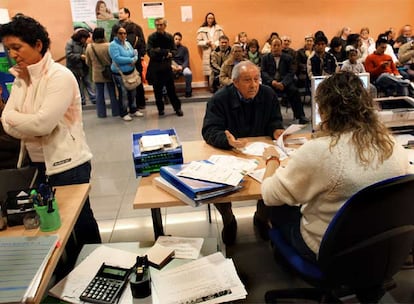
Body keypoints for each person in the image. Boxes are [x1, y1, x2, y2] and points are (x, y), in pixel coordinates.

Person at [261, 71, 408, 262]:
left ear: (324, 110)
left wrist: (272, 161)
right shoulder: (390, 143)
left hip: (329, 251)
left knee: (280, 207)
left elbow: (269, 195)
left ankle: (283, 258)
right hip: (378, 245)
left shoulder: (320, 151)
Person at [0, 14, 102, 261]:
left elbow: (42, 124)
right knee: (49, 221)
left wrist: (18, 119)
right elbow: (6, 122)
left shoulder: (59, 76)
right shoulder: (22, 79)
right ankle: (64, 270)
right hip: (35, 164)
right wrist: (23, 121)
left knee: (79, 220)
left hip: (68, 164)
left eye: (17, 47)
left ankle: (94, 263)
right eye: (7, 49)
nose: (13, 54)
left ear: (37, 44)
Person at [202, 61, 285, 245]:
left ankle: (262, 218)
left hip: (260, 152)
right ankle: (228, 219)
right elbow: (209, 130)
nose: (254, 85)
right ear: (235, 82)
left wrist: (276, 130)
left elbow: (274, 120)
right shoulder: (219, 99)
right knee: (217, 183)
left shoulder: (268, 94)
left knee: (275, 179)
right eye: (247, 80)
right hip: (230, 151)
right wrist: (227, 140)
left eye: (257, 79)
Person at [261, 37, 309, 124]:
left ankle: (301, 116)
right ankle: (268, 118)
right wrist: (272, 81)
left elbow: (291, 72)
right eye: (274, 45)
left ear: (281, 46)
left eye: (278, 45)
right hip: (270, 83)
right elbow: (263, 72)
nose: (276, 47)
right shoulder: (265, 58)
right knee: (266, 92)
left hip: (284, 83)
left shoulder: (288, 58)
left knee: (294, 91)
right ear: (271, 47)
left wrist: (283, 83)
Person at [147, 17, 183, 117]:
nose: (159, 27)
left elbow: (174, 50)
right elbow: (150, 52)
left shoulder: (169, 37)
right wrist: (164, 52)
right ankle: (160, 110)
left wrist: (169, 53)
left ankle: (177, 108)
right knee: (157, 91)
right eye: (157, 25)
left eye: (161, 25)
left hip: (167, 66)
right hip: (155, 67)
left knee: (171, 90)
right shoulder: (151, 37)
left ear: (165, 26)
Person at [109, 24, 144, 121]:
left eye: (125, 33)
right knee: (123, 94)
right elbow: (117, 58)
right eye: (121, 33)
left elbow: (134, 53)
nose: (123, 35)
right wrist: (130, 60)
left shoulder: (127, 43)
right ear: (115, 34)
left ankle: (133, 109)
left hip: (131, 72)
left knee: (133, 91)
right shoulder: (113, 45)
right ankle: (124, 112)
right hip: (120, 74)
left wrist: (135, 58)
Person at [116, 7, 147, 110]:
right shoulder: (116, 28)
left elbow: (142, 42)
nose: (119, 15)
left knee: (137, 81)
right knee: (124, 82)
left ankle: (140, 103)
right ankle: (128, 105)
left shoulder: (136, 27)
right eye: (119, 13)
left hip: (135, 58)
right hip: (121, 59)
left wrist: (141, 55)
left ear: (127, 14)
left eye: (121, 13)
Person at [85, 27, 119, 118]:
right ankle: (115, 112)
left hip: (97, 73)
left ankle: (101, 113)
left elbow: (87, 62)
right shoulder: (109, 45)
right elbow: (113, 59)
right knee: (112, 93)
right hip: (109, 72)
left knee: (99, 94)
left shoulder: (90, 47)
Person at [65, 28, 96, 106]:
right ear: (80, 37)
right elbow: (68, 55)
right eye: (84, 38)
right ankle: (82, 100)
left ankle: (94, 98)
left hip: (84, 67)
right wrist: (80, 56)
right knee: (78, 84)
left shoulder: (85, 44)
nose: (85, 40)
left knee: (88, 82)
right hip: (74, 67)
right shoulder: (70, 43)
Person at [196, 12, 224, 90]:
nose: (210, 19)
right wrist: (206, 42)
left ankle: (218, 85)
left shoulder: (218, 29)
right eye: (209, 18)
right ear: (206, 19)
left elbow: (222, 39)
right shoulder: (202, 30)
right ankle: (211, 87)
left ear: (214, 19)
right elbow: (198, 41)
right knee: (208, 69)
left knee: (217, 67)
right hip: (207, 51)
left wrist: (215, 44)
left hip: (217, 50)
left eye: (212, 18)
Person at [172, 32, 192, 97]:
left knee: (188, 73)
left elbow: (186, 60)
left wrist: (182, 67)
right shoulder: (169, 49)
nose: (177, 41)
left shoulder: (184, 49)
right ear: (173, 39)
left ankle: (188, 91)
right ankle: (169, 93)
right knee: (165, 73)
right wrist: (173, 67)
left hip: (182, 66)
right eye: (176, 39)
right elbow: (168, 60)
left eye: (179, 39)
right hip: (172, 67)